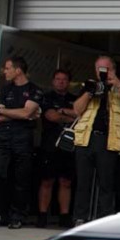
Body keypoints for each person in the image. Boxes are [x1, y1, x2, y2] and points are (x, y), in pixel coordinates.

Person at [72, 56, 120, 225]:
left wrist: (116, 82)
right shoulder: (88, 86)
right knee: (82, 181)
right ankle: (80, 218)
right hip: (86, 138)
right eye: (98, 69)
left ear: (112, 69)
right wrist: (89, 92)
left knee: (106, 182)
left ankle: (105, 219)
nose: (101, 72)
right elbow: (77, 110)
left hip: (109, 139)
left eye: (105, 69)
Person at [0, 57, 44, 229]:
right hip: (3, 139)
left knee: (20, 179)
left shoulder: (34, 89)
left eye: (7, 68)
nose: (4, 72)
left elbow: (26, 113)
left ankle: (17, 216)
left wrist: (5, 111)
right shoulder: (3, 90)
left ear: (18, 70)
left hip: (23, 139)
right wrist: (16, 113)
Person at [36, 69, 78, 228]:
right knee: (47, 181)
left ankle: (64, 216)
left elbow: (81, 117)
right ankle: (42, 215)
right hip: (49, 145)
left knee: (66, 181)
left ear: (68, 82)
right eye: (58, 79)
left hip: (69, 146)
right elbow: (51, 116)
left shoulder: (75, 99)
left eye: (64, 79)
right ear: (53, 81)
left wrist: (63, 111)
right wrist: (69, 116)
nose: (61, 82)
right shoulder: (46, 97)